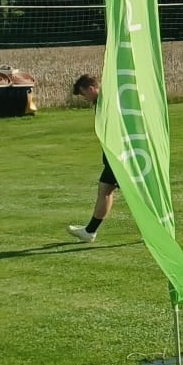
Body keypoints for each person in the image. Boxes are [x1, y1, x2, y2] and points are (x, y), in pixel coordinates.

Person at [66, 73, 116, 243]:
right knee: (106, 189)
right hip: (113, 154)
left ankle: (157, 230)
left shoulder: (107, 101)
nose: (84, 98)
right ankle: (90, 231)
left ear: (91, 88)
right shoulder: (102, 101)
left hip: (119, 155)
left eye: (84, 94)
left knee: (110, 190)